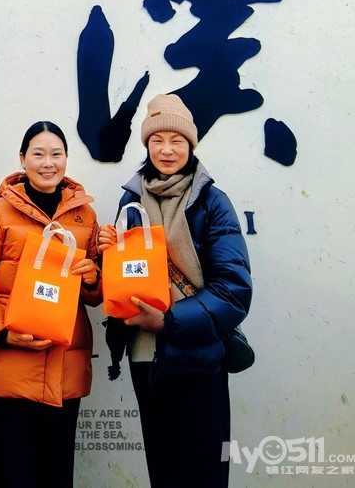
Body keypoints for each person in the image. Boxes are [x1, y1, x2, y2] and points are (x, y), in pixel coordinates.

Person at [98, 93, 252, 488]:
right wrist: (105, 255)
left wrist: (169, 321)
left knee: (201, 473)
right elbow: (125, 275)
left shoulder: (212, 202)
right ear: (147, 145)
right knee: (163, 471)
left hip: (198, 358)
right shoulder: (131, 200)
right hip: (145, 359)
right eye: (157, 140)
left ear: (191, 145)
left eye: (176, 140)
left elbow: (233, 290)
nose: (166, 150)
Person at [0, 121, 101, 488]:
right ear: (22, 159)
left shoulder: (84, 216)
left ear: (66, 158)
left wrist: (93, 278)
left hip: (64, 372)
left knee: (55, 476)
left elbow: (93, 294)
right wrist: (2, 333)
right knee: (8, 475)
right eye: (38, 154)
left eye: (56, 154)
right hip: (7, 371)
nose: (47, 163)